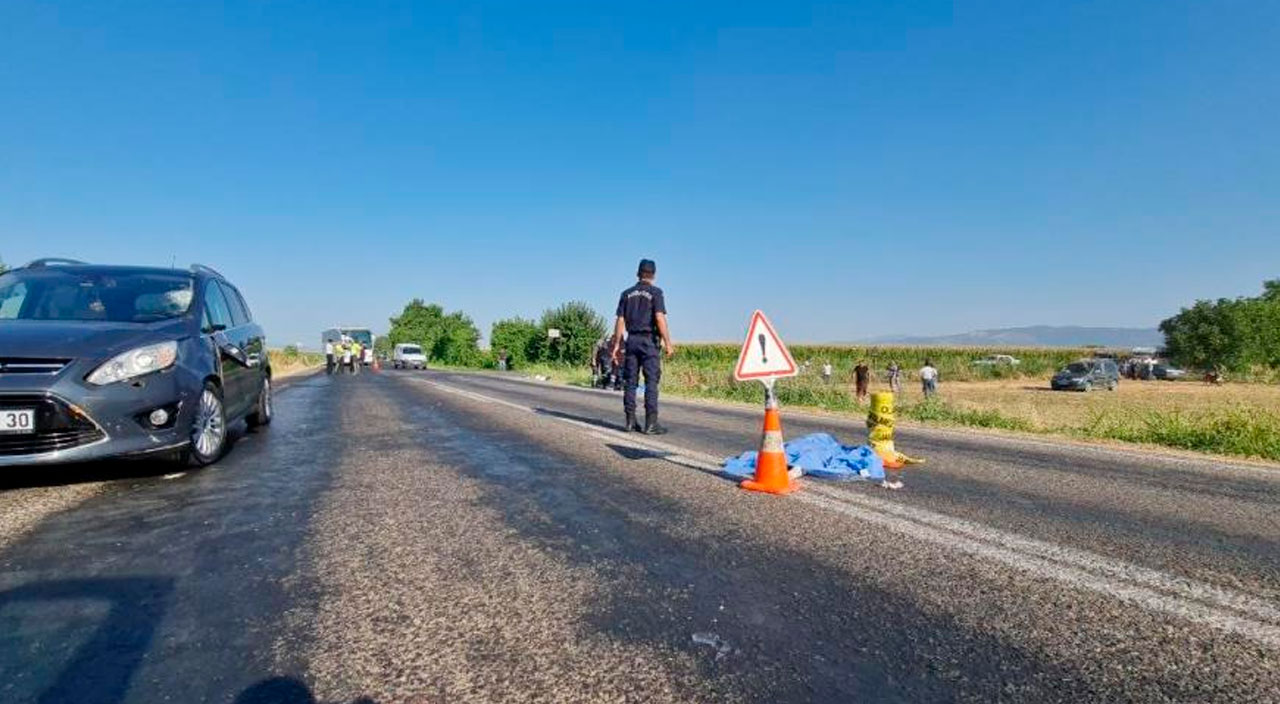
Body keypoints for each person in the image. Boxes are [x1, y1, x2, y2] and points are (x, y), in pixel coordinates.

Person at [610, 258, 675, 434]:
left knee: (630, 382)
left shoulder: (626, 293)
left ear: (638, 273)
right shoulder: (656, 292)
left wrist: (617, 344)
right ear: (653, 274)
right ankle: (651, 423)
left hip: (632, 341)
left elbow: (620, 320)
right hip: (649, 341)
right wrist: (668, 342)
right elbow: (660, 317)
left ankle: (630, 422)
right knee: (651, 382)